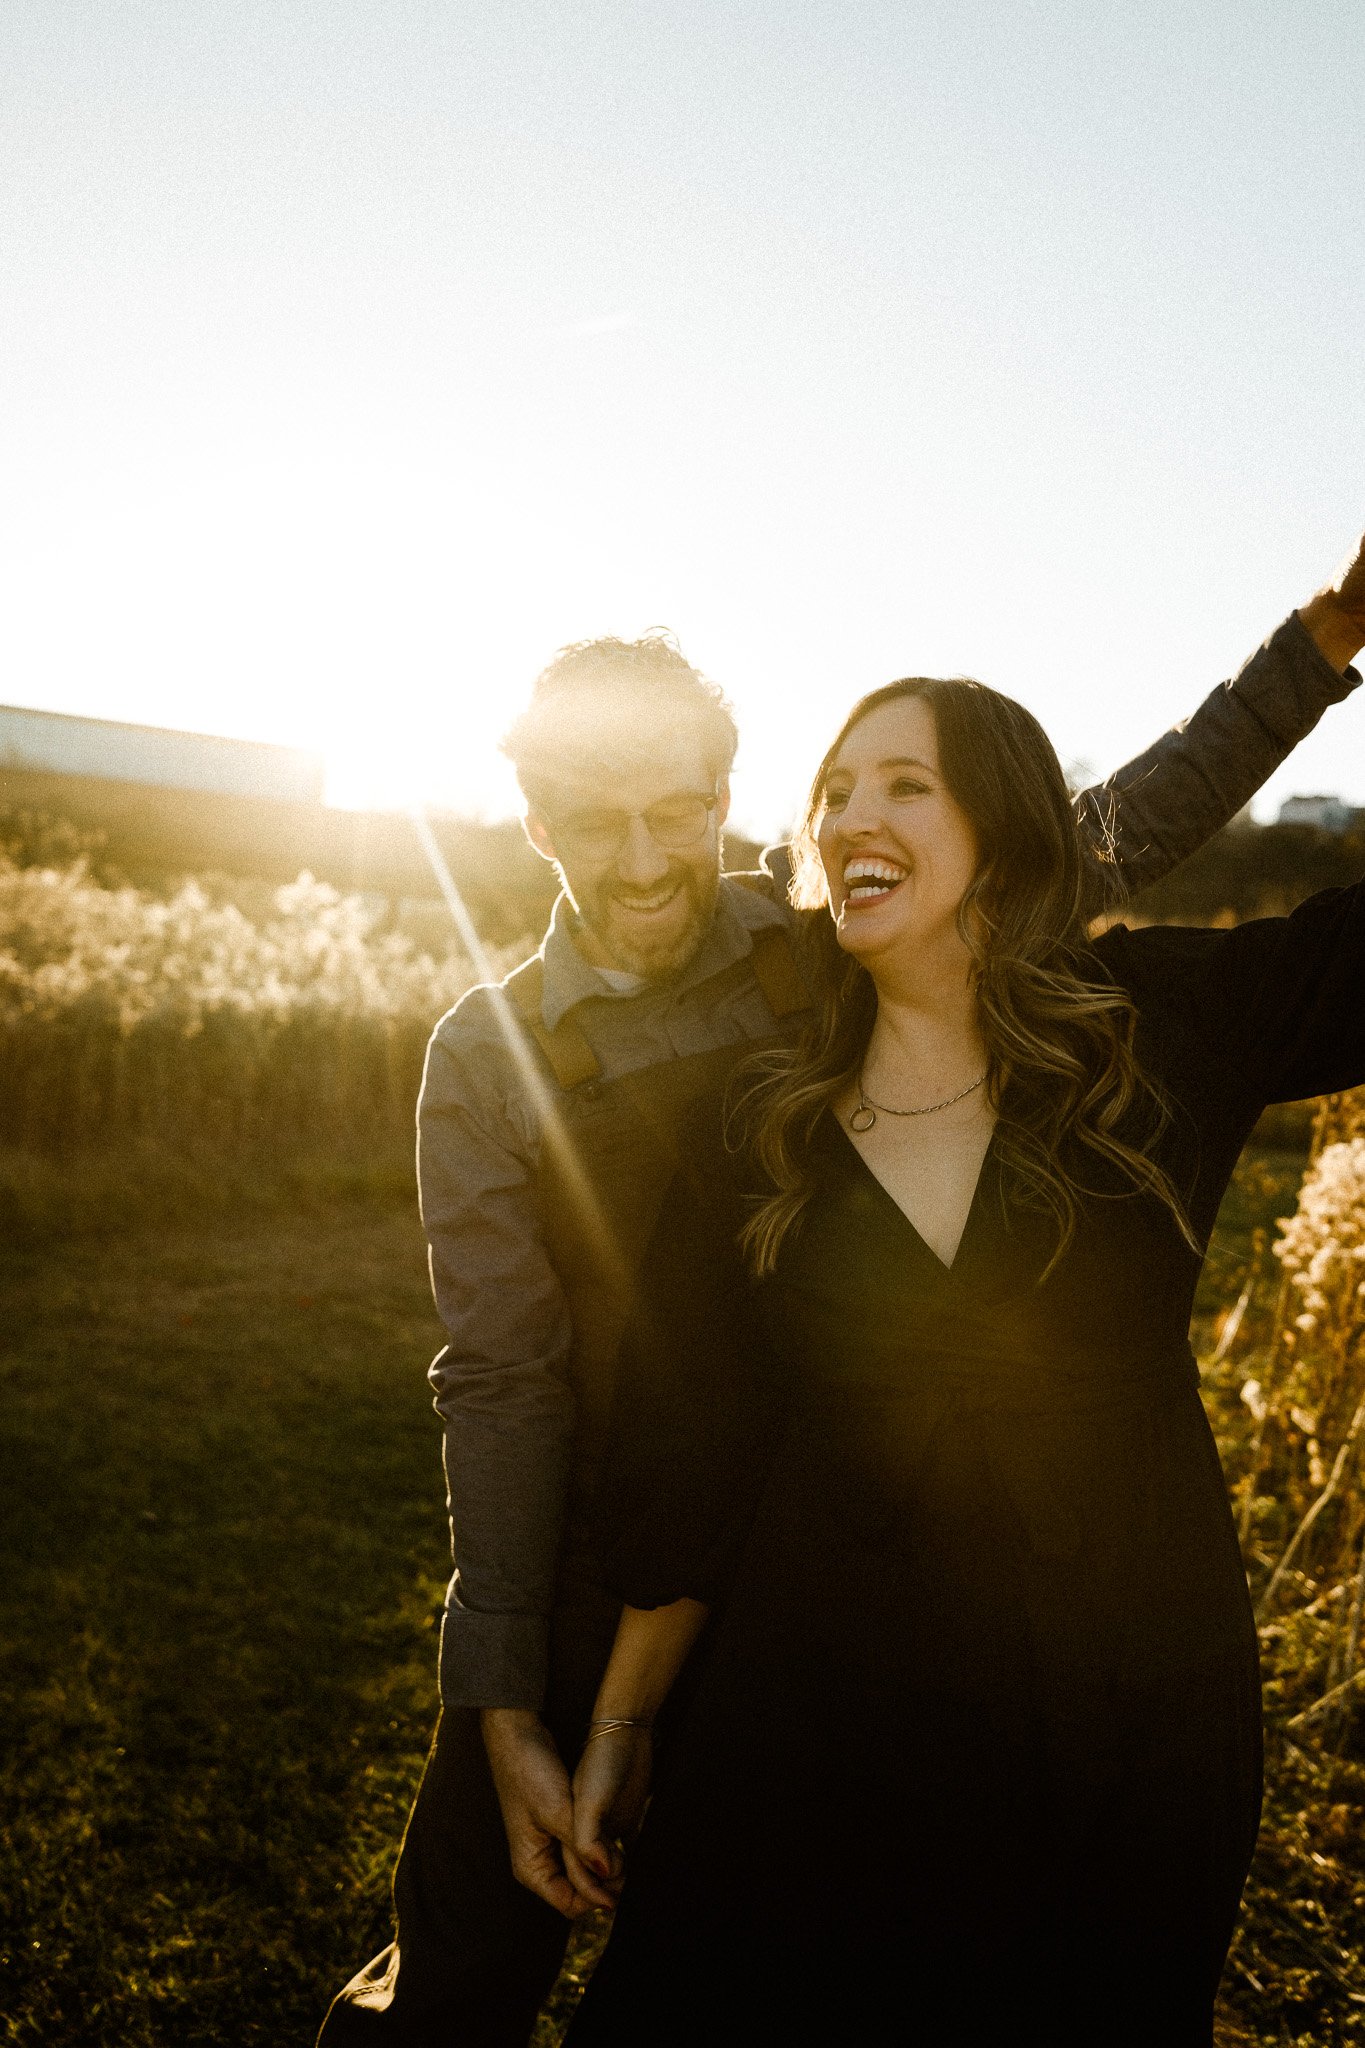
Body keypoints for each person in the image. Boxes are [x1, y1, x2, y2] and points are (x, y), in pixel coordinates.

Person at [318, 555, 1365, 2048]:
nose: (640, 861)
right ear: (533, 825)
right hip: (605, 1560)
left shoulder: (818, 949)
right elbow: (498, 1379)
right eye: (594, 823)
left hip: (814, 1538)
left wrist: (1323, 637)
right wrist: (503, 1703)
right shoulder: (487, 1059)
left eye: (677, 811)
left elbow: (1097, 832)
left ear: (725, 800)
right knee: (461, 1974)